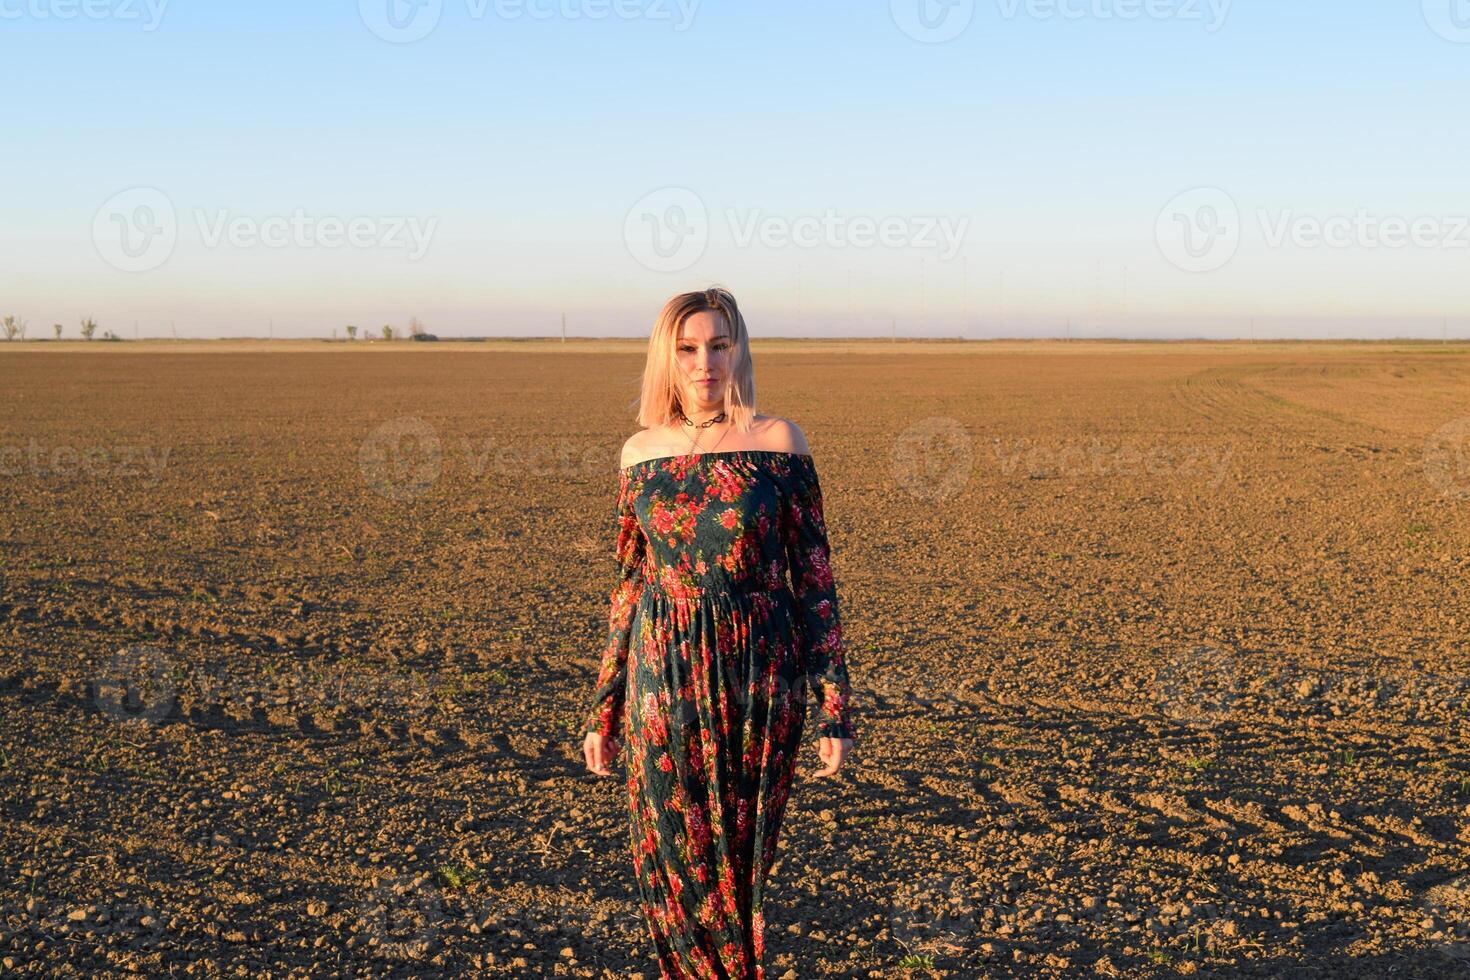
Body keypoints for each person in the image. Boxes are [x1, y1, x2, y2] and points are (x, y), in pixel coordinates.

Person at [581, 285, 856, 978]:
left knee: (739, 876)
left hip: (761, 679)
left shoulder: (778, 444)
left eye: (718, 345)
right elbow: (629, 587)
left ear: (738, 351)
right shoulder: (639, 454)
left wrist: (835, 707)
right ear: (666, 360)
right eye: (687, 349)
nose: (705, 363)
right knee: (676, 871)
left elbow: (815, 579)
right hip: (663, 677)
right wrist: (605, 707)